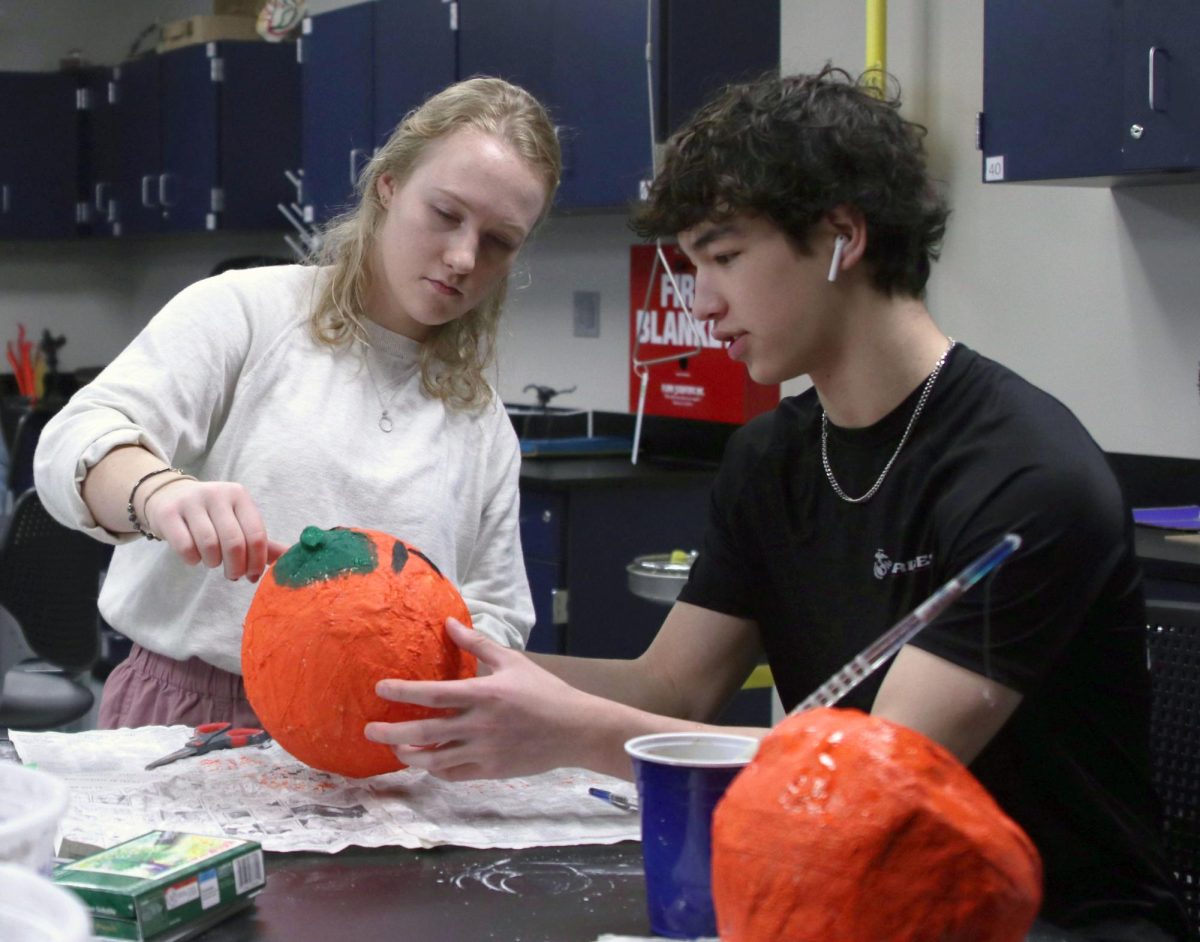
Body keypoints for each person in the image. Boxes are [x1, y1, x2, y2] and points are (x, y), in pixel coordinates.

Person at [363, 68, 1188, 940]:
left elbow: (870, 785)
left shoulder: (1027, 478)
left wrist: (572, 733)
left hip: (1046, 922)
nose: (703, 300)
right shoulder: (774, 455)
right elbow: (670, 688)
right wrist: (441, 663)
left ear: (842, 237)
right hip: (843, 903)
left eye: (723, 257)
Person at [34, 76, 561, 730]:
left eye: (498, 242)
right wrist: (159, 493)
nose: (461, 257)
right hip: (194, 717)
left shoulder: (478, 417)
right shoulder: (245, 313)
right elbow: (74, 440)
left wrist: (461, 673)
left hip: (384, 741)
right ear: (388, 185)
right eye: (447, 214)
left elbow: (499, 613)